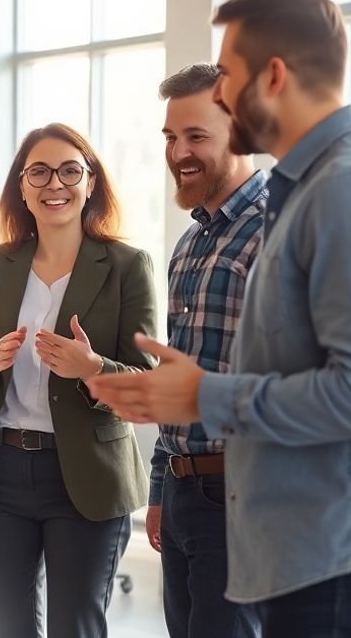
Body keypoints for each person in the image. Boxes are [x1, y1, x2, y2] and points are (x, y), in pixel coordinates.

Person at [87, 0, 351, 637]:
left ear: (275, 75)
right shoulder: (312, 192)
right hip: (305, 551)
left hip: (343, 559)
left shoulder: (350, 191)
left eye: (228, 76)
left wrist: (206, 395)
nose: (225, 95)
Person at [0, 123, 156, 638]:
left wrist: (92, 369)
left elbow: (145, 388)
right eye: (38, 172)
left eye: (70, 170)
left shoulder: (127, 265)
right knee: (4, 627)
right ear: (21, 188)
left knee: (75, 628)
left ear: (91, 183)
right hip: (0, 472)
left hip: (85, 477)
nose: (55, 184)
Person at [150, 63, 264, 638]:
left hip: (244, 494)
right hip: (181, 490)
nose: (179, 152)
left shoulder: (280, 231)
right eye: (171, 137)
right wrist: (159, 489)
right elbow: (176, 372)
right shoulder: (191, 242)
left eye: (197, 136)